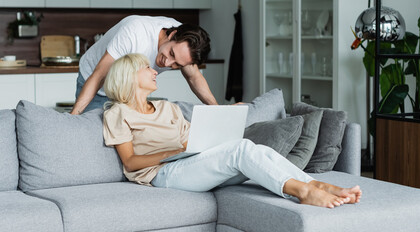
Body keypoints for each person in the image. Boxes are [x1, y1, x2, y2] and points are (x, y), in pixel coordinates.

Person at [102, 53, 362, 208]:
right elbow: (130, 162)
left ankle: (317, 184)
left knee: (253, 148)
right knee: (240, 150)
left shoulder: (166, 108)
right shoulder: (117, 113)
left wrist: (213, 129)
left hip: (191, 164)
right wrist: (173, 152)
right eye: (146, 68)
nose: (154, 71)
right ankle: (303, 192)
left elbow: (194, 138)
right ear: (129, 76)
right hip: (163, 174)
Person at [70, 15, 217, 114]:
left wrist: (217, 109)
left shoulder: (186, 46)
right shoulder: (135, 32)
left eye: (177, 65)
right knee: (90, 135)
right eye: (171, 54)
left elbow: (194, 77)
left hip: (128, 90)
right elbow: (98, 75)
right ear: (172, 35)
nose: (167, 63)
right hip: (96, 83)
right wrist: (73, 117)